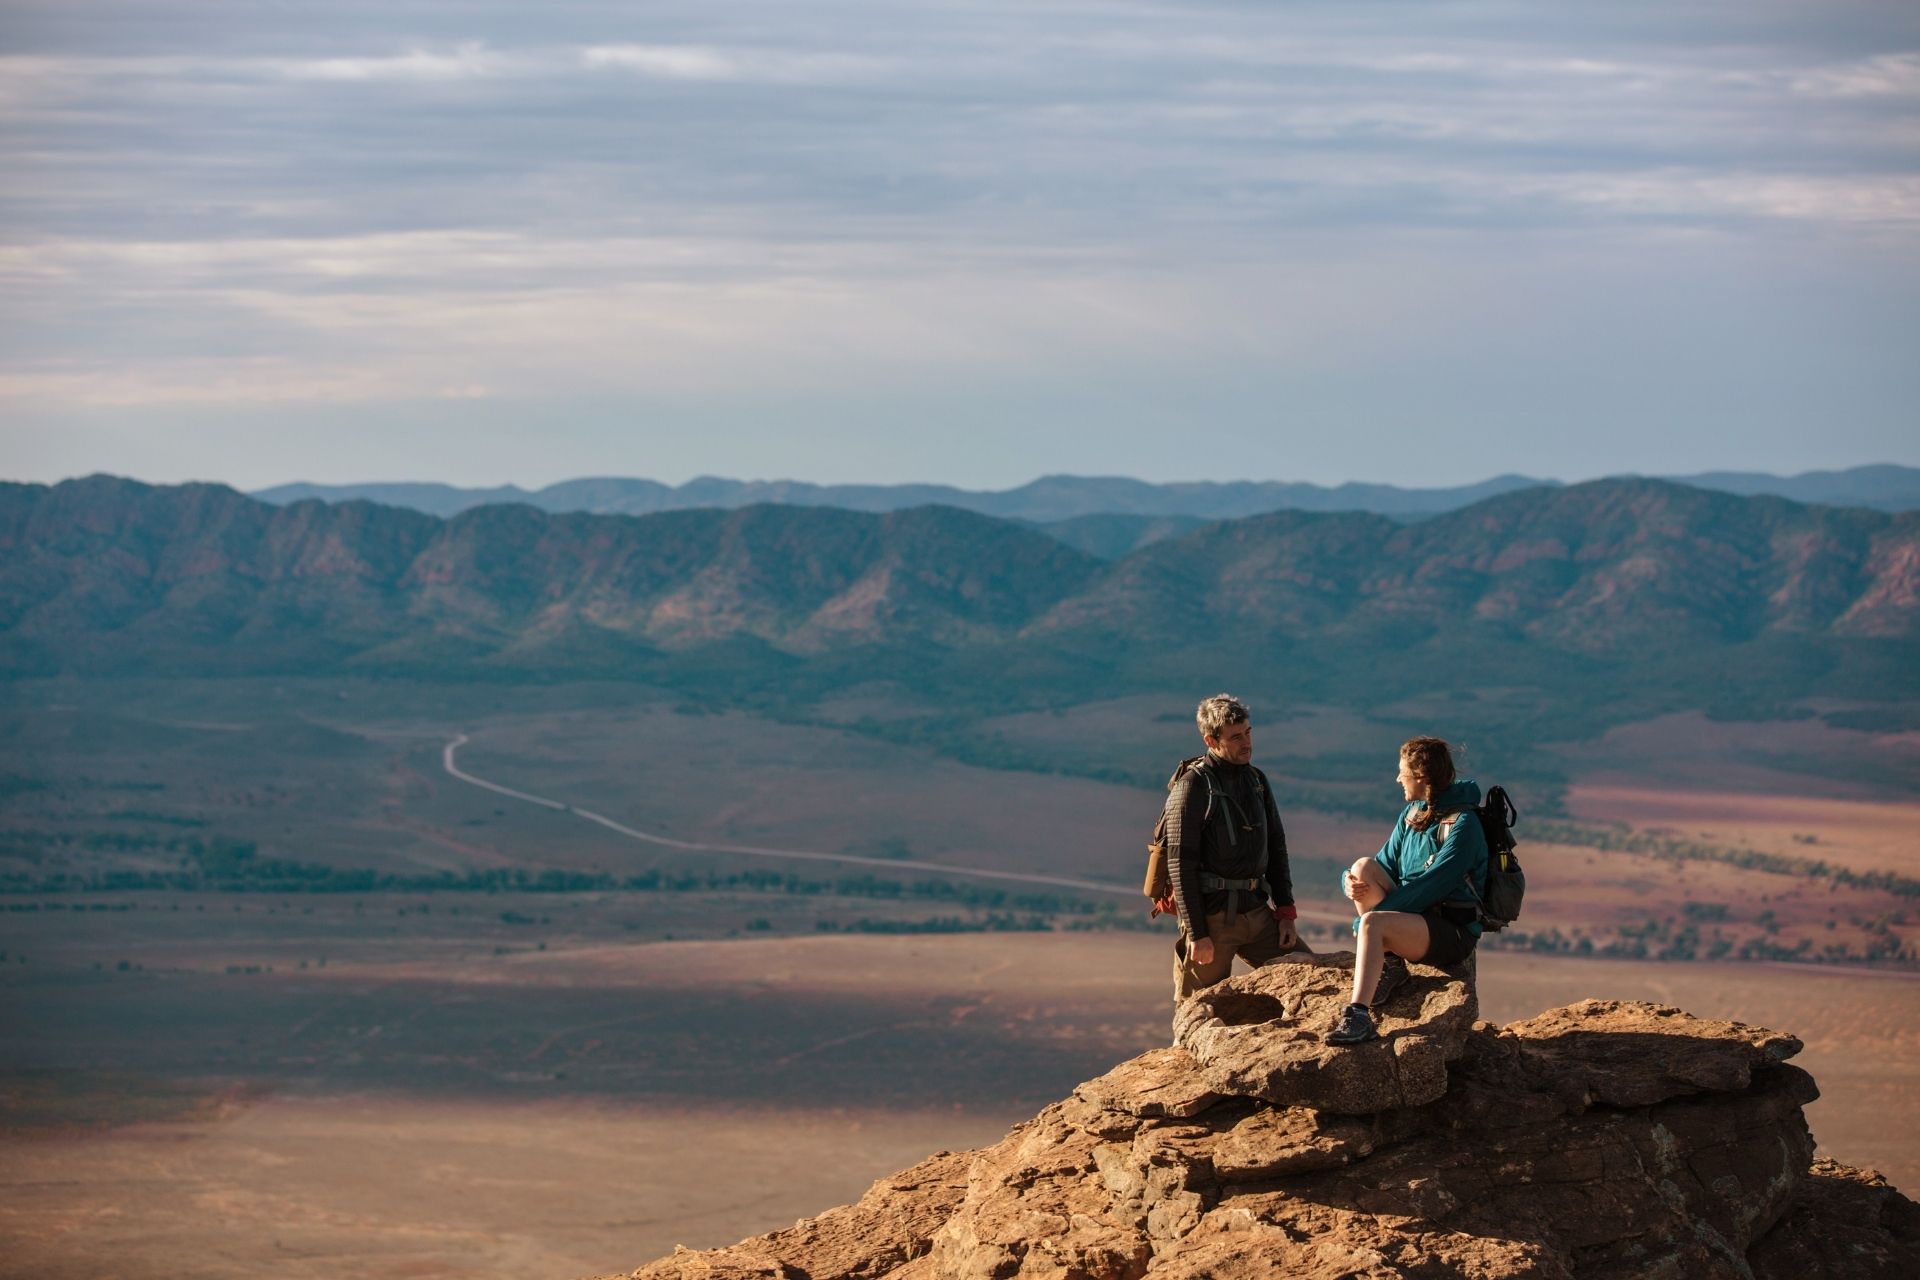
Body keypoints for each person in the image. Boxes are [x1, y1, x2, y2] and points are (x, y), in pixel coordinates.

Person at [1326, 736, 1488, 1046]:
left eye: (1403, 773)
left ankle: (1359, 1016)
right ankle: (1392, 965)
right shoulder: (1414, 813)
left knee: (1373, 924)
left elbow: (1431, 887)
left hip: (1451, 931)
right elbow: (1382, 865)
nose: (1398, 779)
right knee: (1362, 867)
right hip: (1415, 917)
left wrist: (1368, 922)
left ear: (1422, 777)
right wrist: (1347, 880)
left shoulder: (1463, 825)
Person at [1166, 693, 1308, 1005]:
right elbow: (1179, 865)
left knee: (1311, 976)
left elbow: (1276, 846)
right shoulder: (1192, 786)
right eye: (1235, 737)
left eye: (1247, 733)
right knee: (1198, 1009)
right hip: (1213, 919)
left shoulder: (1256, 781)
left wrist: (1286, 911)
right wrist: (1197, 933)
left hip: (1258, 914)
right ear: (1211, 740)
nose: (1246, 743)